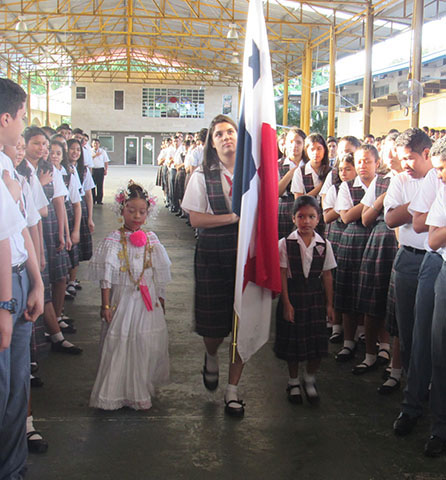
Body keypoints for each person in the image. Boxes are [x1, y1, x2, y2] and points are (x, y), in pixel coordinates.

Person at [181, 115, 244, 417]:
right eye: (219, 134)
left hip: (244, 254)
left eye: (230, 131)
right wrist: (231, 219)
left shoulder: (252, 175)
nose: (226, 137)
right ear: (212, 142)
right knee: (213, 326)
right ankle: (210, 355)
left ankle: (232, 391)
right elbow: (195, 219)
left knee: (242, 323)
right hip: (212, 252)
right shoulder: (201, 175)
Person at [89, 182, 171, 410]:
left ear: (148, 212)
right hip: (123, 300)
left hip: (147, 302)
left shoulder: (152, 239)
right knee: (121, 343)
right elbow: (107, 275)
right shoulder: (114, 240)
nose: (136, 216)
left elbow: (159, 273)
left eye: (142, 212)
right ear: (121, 210)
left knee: (144, 343)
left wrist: (160, 298)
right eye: (131, 210)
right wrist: (105, 304)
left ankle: (139, 389)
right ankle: (115, 392)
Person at [0, 77, 44, 480]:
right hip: (3, 290)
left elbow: (22, 231)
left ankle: (12, 468)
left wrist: (37, 280)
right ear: (6, 118)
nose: (24, 127)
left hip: (17, 280)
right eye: (23, 118)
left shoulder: (8, 168)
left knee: (17, 389)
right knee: (2, 390)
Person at [274, 196, 336, 405]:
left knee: (315, 343)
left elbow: (327, 275)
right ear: (293, 218)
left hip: (315, 298)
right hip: (293, 295)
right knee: (294, 343)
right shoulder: (285, 243)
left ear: (318, 219)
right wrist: (287, 303)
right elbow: (282, 274)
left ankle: (309, 378)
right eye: (301, 216)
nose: (306, 221)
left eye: (311, 216)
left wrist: (329, 304)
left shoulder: (324, 245)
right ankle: (293, 381)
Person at [334, 144, 380, 362]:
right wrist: (371, 202)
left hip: (377, 242)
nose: (362, 165)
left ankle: (379, 344)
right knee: (348, 290)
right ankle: (348, 341)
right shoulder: (347, 186)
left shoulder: (386, 182)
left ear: (377, 163)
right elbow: (345, 217)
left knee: (375, 294)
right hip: (353, 241)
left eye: (367, 161)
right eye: (359, 161)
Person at [425, 144, 446, 457]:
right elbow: (432, 239)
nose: (439, 176)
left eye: (443, 168)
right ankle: (440, 429)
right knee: (440, 350)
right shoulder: (443, 193)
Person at [322, 153, 357, 344]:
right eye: (341, 169)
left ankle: (356, 329)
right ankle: (335, 325)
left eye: (348, 169)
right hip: (337, 235)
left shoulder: (360, 188)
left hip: (354, 238)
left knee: (352, 282)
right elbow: (327, 216)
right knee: (336, 279)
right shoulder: (336, 188)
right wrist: (346, 207)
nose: (343, 173)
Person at [291, 133, 331, 236]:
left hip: (326, 218)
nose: (316, 153)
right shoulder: (300, 172)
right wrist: (320, 187)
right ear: (306, 151)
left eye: (319, 149)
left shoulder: (331, 172)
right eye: (312, 149)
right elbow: (299, 200)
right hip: (307, 218)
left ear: (324, 150)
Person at [278, 127, 307, 240]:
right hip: (284, 208)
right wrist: (292, 172)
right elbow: (277, 191)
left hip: (305, 206)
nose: (294, 145)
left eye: (298, 142)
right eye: (291, 142)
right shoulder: (278, 164)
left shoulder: (309, 165)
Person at [91, 138, 109, 205]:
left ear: (99, 144)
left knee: (100, 185)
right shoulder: (90, 151)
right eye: (94, 143)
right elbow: (88, 159)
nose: (96, 145)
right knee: (92, 186)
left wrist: (106, 169)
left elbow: (106, 161)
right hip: (93, 170)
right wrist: (95, 155)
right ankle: (93, 199)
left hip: (100, 169)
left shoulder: (103, 151)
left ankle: (99, 200)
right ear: (92, 144)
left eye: (97, 143)